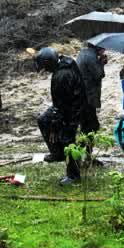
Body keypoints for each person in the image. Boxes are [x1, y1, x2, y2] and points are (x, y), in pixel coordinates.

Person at [35, 48, 87, 185]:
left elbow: (62, 105)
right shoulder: (66, 62)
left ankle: (74, 175)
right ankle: (57, 153)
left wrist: (56, 124)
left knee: (67, 138)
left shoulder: (61, 76)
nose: (45, 70)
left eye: (44, 66)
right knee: (43, 120)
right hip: (69, 104)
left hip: (72, 110)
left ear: (49, 62)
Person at [77, 43, 107, 134]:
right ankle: (87, 145)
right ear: (98, 47)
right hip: (89, 93)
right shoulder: (91, 57)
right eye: (103, 48)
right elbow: (99, 74)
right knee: (92, 125)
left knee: (85, 122)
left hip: (81, 91)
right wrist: (102, 63)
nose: (104, 50)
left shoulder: (82, 53)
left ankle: (85, 144)